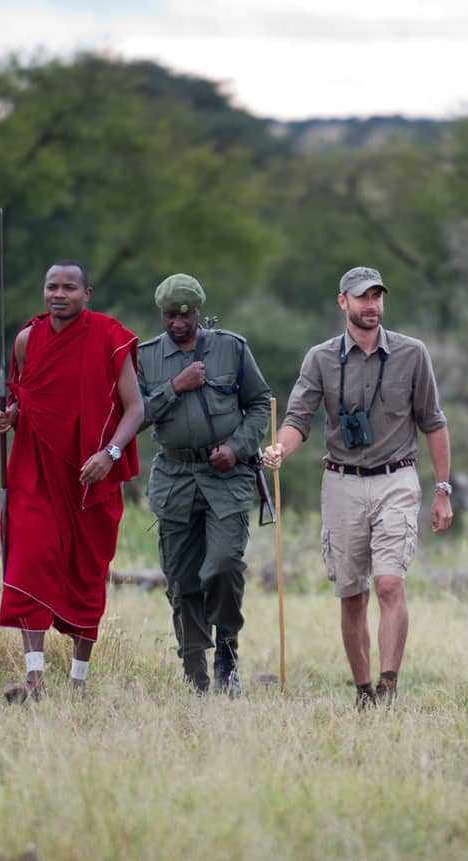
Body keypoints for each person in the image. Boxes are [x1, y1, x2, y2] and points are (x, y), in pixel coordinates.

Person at [262, 266, 454, 710]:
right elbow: (297, 420)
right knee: (352, 593)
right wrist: (279, 450)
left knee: (389, 583)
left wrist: (442, 489)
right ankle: (363, 690)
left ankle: (389, 685)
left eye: (377, 297)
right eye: (362, 297)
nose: (371, 305)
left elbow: (434, 422)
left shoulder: (412, 353)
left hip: (397, 478)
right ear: (342, 301)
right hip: (342, 482)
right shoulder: (321, 358)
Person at [0, 260, 144, 701]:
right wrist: (10, 416)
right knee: (29, 562)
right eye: (51, 286)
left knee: (87, 572)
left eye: (69, 287)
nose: (59, 294)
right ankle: (34, 678)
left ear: (86, 293)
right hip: (35, 473)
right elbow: (26, 398)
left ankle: (78, 681)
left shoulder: (109, 336)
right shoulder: (26, 340)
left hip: (89, 477)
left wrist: (109, 454)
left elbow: (136, 409)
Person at [137, 274, 273, 695]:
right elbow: (135, 415)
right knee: (181, 578)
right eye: (169, 316)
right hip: (175, 476)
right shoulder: (145, 356)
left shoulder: (231, 347)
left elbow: (259, 403)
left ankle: (227, 655)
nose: (177, 323)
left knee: (223, 566)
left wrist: (237, 447)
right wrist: (174, 387)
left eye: (185, 314)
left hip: (226, 477)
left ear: (198, 311)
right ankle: (194, 670)